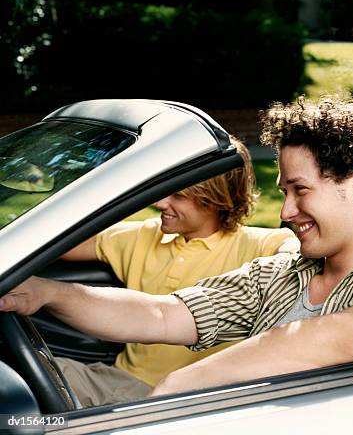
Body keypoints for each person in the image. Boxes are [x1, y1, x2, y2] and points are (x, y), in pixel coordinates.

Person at [0, 96, 353, 399]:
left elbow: (338, 338)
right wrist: (49, 293)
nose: (285, 212)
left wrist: (176, 388)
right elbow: (163, 315)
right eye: (284, 192)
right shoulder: (280, 274)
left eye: (301, 190)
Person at [51, 136, 298, 406]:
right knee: (32, 373)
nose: (160, 202)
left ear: (217, 199)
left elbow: (295, 252)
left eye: (178, 195)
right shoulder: (143, 236)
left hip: (188, 400)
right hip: (118, 380)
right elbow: (56, 242)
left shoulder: (256, 244)